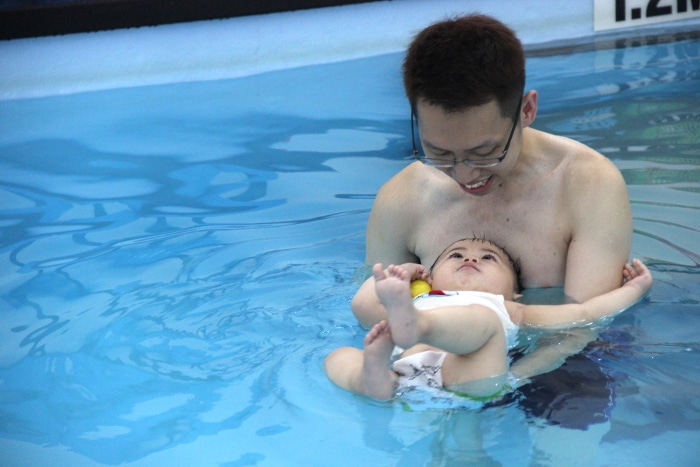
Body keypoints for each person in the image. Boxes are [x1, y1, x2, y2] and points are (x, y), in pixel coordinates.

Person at [358, 15, 632, 328]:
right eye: (439, 153)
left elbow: (585, 330)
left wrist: (511, 374)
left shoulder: (588, 185)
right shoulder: (401, 200)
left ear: (527, 110)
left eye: (484, 153)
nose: (464, 175)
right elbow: (375, 319)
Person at [325, 238, 652, 401]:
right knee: (339, 356)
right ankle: (372, 379)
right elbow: (362, 305)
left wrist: (635, 289)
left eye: (488, 258)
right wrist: (406, 275)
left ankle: (413, 334)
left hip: (469, 373)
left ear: (514, 293)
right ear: (431, 277)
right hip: (405, 376)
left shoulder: (507, 308)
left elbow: (585, 313)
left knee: (484, 323)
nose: (469, 257)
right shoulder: (420, 298)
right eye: (455, 255)